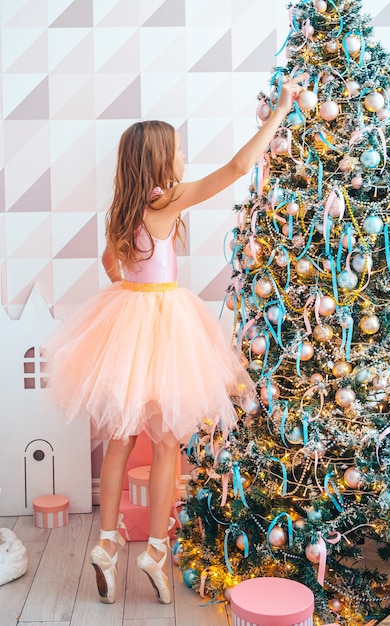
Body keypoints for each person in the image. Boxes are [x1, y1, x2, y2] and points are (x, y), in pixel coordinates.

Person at [45, 73, 307, 606]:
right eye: (179, 150)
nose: (184, 156)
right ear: (161, 160)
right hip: (167, 324)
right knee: (167, 443)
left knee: (119, 438)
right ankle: (157, 547)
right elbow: (236, 168)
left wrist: (132, 292)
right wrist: (280, 111)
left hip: (127, 322)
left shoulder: (124, 206)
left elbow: (109, 264)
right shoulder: (170, 202)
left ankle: (106, 541)